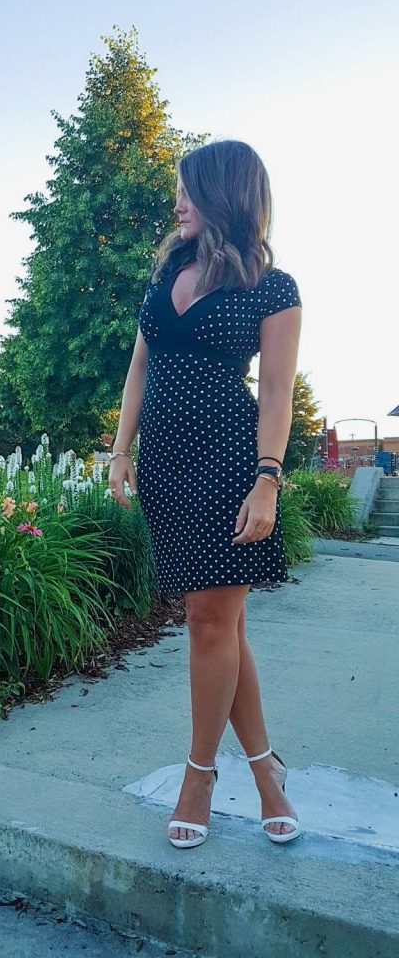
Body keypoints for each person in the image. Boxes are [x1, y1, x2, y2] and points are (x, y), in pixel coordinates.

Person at [108, 140, 303, 849]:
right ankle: (265, 769)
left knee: (209, 623)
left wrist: (268, 477)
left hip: (228, 460)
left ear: (224, 194)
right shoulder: (169, 270)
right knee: (219, 623)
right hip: (163, 462)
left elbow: (277, 393)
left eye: (187, 190)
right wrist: (120, 450)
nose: (177, 202)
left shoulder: (271, 288)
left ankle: (199, 775)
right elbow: (140, 365)